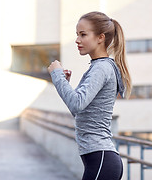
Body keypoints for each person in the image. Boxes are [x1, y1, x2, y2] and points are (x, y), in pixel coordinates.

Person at [48, 11, 131, 180]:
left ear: (100, 37)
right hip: (99, 159)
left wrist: (57, 76)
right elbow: (79, 112)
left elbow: (76, 104)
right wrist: (65, 84)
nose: (77, 40)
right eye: (77, 35)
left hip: (101, 158)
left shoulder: (101, 68)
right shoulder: (98, 67)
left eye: (83, 34)